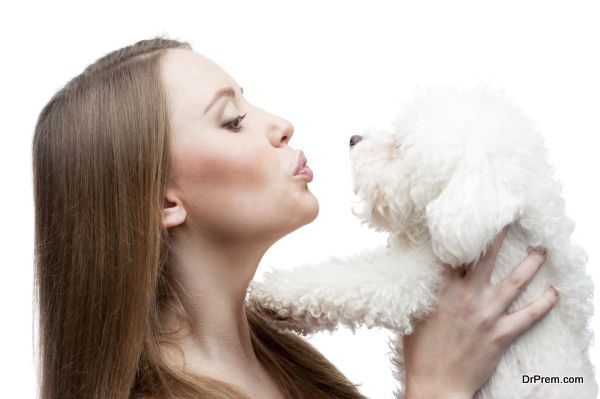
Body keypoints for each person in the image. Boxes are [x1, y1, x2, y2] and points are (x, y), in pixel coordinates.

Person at [32, 36, 558, 399]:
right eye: (232, 121)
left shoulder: (286, 362)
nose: (281, 124)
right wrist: (437, 387)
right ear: (164, 202)